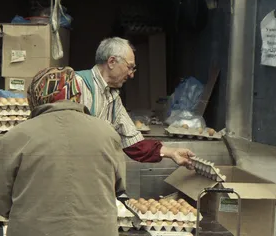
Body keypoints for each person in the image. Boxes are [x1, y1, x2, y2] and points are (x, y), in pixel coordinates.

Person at [0, 67, 127, 236]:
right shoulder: (106, 134)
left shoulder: (16, 137)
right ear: (76, 94)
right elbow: (119, 186)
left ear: (36, 96)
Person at [75, 37, 195, 168]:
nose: (131, 74)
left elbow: (133, 143)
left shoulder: (114, 99)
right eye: (130, 67)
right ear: (111, 62)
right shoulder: (76, 84)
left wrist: (171, 152)